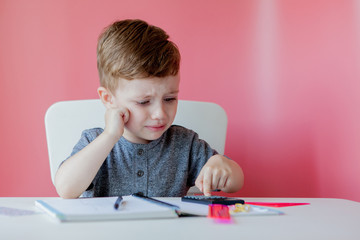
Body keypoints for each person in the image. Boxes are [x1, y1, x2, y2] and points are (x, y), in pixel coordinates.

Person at [54, 19, 244, 199]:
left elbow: (236, 182)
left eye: (169, 99)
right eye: (144, 102)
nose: (160, 114)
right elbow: (65, 189)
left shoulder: (185, 143)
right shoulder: (94, 141)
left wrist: (222, 165)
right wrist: (110, 136)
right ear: (108, 99)